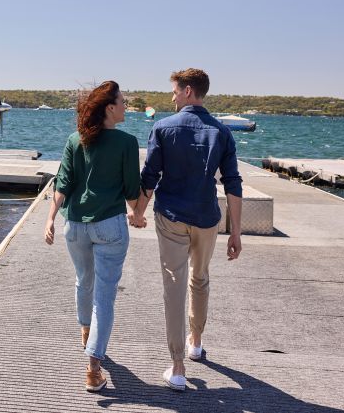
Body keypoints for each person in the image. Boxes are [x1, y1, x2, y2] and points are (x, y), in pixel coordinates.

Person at [130, 68, 243, 391]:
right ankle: (196, 341)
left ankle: (178, 366)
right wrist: (236, 232)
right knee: (200, 278)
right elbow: (233, 183)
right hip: (208, 218)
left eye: (176, 91)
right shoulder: (221, 132)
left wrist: (138, 211)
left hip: (171, 216)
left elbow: (149, 176)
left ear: (189, 91)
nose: (173, 97)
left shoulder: (163, 128)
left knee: (174, 286)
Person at [44, 81, 141, 393]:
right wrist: (138, 213)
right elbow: (131, 190)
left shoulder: (76, 139)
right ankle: (93, 367)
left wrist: (49, 219)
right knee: (105, 295)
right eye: (123, 102)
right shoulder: (127, 143)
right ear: (110, 108)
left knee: (83, 280)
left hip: (74, 225)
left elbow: (63, 182)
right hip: (110, 226)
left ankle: (86, 333)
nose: (126, 106)